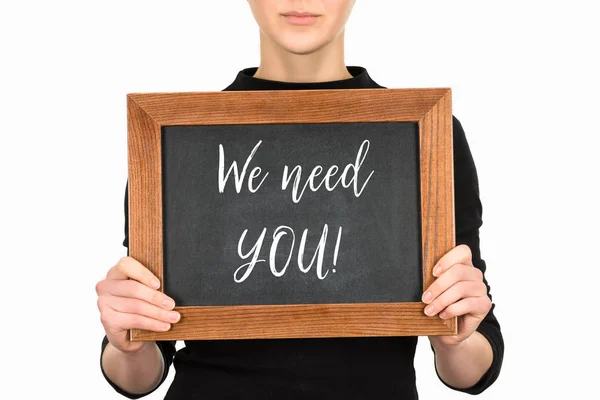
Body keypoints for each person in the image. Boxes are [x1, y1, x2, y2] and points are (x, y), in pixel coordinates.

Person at [95, 1, 504, 398]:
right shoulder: (179, 136)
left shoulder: (422, 134)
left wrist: (456, 336)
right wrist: (127, 339)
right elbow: (142, 372)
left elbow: (473, 368)